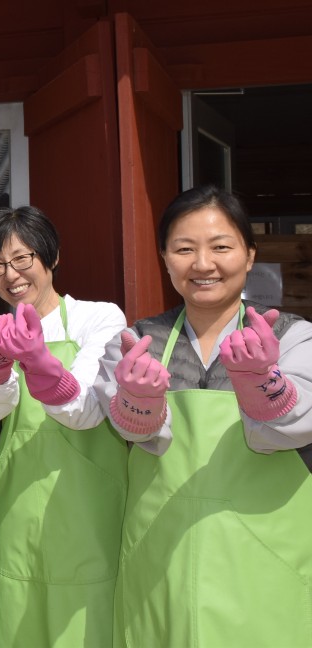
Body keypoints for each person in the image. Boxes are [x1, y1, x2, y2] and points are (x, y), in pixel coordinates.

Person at [94, 184, 312, 646]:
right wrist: (138, 403)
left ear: (250, 255)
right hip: (161, 562)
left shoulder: (294, 339)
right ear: (165, 258)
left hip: (265, 563)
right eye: (184, 249)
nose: (203, 264)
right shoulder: (138, 343)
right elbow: (133, 430)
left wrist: (264, 386)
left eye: (221, 247)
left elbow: (295, 426)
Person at [0, 206, 128, 647]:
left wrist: (38, 363)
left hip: (90, 502)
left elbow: (87, 410)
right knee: (21, 620)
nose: (10, 274)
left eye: (22, 258)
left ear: (50, 257)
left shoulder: (100, 318)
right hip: (21, 499)